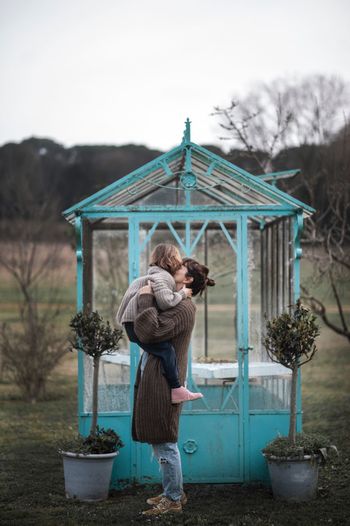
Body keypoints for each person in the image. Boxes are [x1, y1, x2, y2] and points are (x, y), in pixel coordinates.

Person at [132, 258, 215, 516]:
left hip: (164, 382)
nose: (171, 269)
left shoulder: (184, 308)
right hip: (157, 378)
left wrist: (145, 297)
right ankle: (172, 489)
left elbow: (150, 331)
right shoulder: (176, 300)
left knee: (165, 440)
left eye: (178, 268)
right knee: (160, 440)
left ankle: (174, 498)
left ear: (187, 279)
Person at [116, 243, 203, 403]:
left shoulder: (156, 275)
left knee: (164, 351)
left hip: (131, 323)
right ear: (170, 260)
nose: (179, 265)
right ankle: (176, 388)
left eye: (182, 266)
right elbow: (165, 303)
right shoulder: (163, 277)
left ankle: (176, 388)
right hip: (134, 324)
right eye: (178, 261)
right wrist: (182, 294)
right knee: (167, 351)